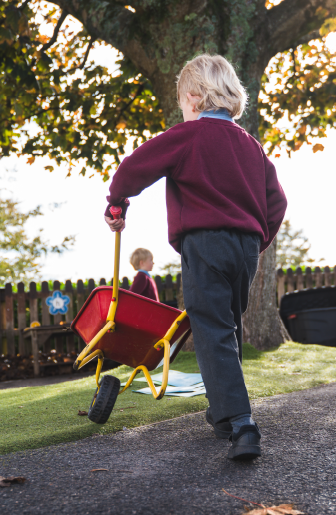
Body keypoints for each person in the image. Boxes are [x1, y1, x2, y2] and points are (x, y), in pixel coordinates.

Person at [103, 54, 287, 461]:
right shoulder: (251, 146)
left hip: (204, 242)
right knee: (228, 328)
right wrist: (258, 240)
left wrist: (117, 203)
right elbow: (277, 200)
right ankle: (223, 417)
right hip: (245, 248)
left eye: (182, 105)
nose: (183, 112)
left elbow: (135, 166)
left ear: (193, 96)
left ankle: (242, 423)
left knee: (211, 328)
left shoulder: (189, 136)